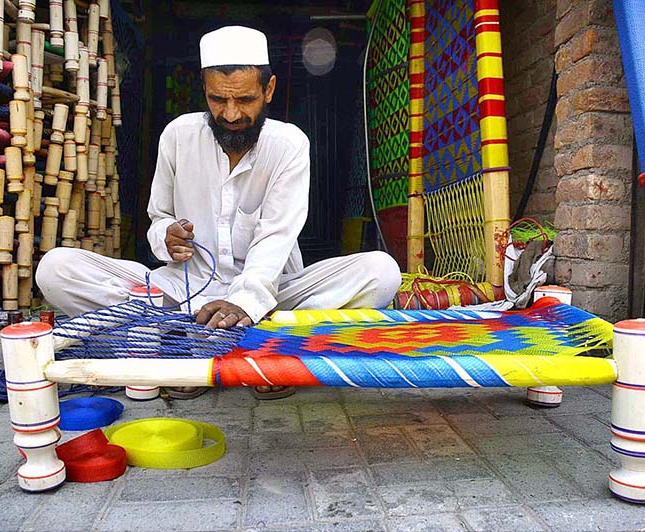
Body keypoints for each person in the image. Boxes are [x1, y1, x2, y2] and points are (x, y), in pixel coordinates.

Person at [36, 25, 401, 400]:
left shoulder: (289, 145)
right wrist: (167, 236)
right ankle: (239, 346)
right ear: (205, 90)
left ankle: (182, 345)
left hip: (272, 295)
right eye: (217, 100)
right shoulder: (178, 135)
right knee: (56, 269)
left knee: (381, 273)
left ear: (269, 90)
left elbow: (276, 235)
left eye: (244, 100)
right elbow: (158, 217)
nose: (230, 114)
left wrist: (243, 303)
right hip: (185, 293)